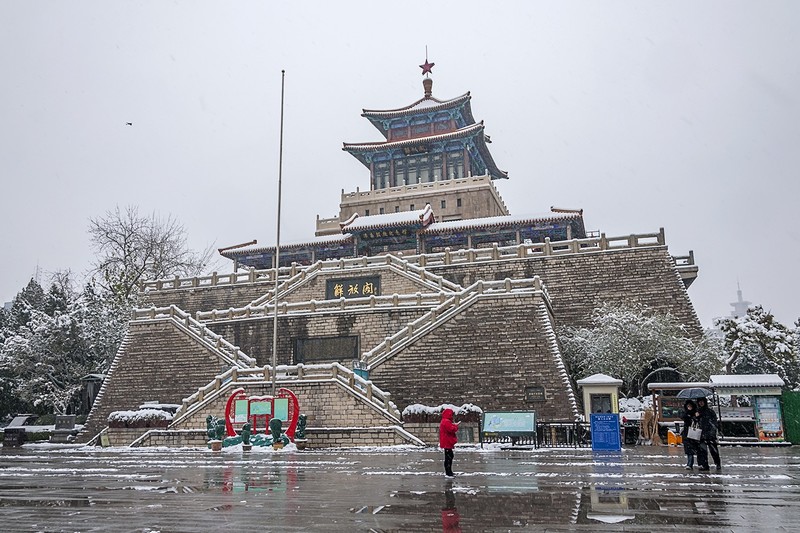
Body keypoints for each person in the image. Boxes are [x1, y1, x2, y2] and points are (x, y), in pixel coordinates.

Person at [696, 396, 721, 470]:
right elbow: (695, 422)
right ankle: (705, 465)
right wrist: (696, 417)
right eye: (699, 402)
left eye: (702, 401)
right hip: (701, 434)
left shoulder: (710, 411)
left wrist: (712, 431)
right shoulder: (698, 412)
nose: (701, 403)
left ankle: (717, 463)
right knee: (703, 451)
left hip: (710, 434)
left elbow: (714, 422)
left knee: (713, 451)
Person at [439, 408, 460, 478]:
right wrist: (456, 426)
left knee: (448, 456)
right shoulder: (446, 421)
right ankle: (448, 472)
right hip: (447, 441)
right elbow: (452, 429)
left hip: (446, 441)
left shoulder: (444, 421)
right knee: (449, 457)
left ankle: (449, 471)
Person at [680, 400, 699, 470]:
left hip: (693, 433)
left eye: (690, 406)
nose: (689, 407)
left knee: (693, 450)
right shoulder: (685, 413)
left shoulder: (696, 413)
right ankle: (689, 464)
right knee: (689, 450)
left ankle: (691, 464)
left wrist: (695, 417)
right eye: (688, 406)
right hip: (687, 433)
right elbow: (683, 417)